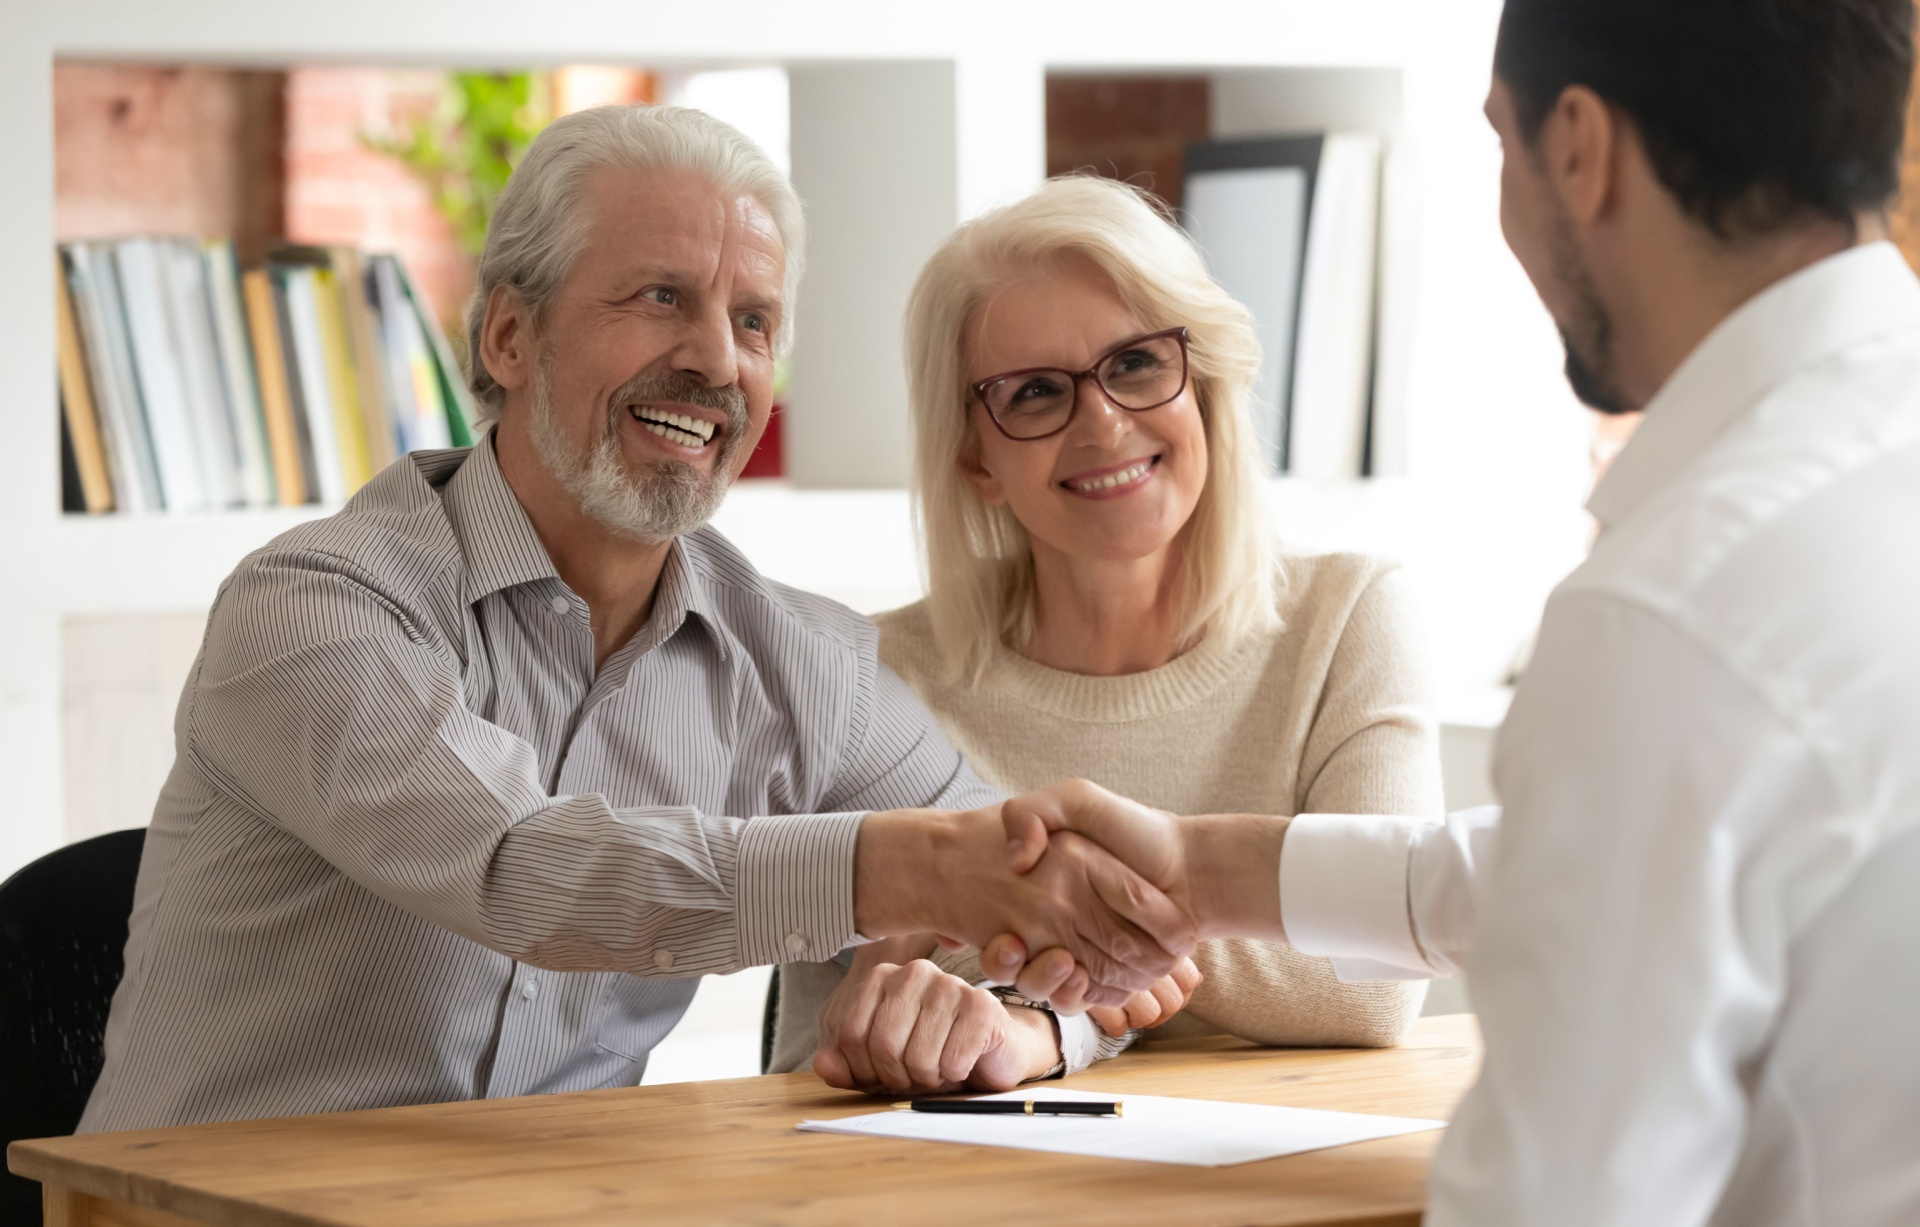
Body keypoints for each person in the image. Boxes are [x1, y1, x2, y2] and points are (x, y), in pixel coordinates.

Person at [78, 105, 1195, 1132]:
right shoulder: (313, 607)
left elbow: (1064, 921)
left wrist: (1032, 1020)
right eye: (660, 296)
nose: (715, 360)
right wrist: (922, 869)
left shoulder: (805, 668)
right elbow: (521, 865)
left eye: (753, 321)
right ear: (510, 338)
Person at [1000, 1, 1920, 1223]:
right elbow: (1643, 857)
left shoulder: (1674, 612)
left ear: (1581, 149)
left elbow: (1555, 1201)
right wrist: (1211, 870)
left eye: (1501, 145)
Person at [768, 176, 1443, 1093]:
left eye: (1134, 364)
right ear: (976, 456)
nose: (1104, 424)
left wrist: (1047, 980)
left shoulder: (1349, 617)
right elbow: (818, 1048)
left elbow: (1373, 978)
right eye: (1038, 393)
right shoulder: (866, 679)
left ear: (1202, 381)